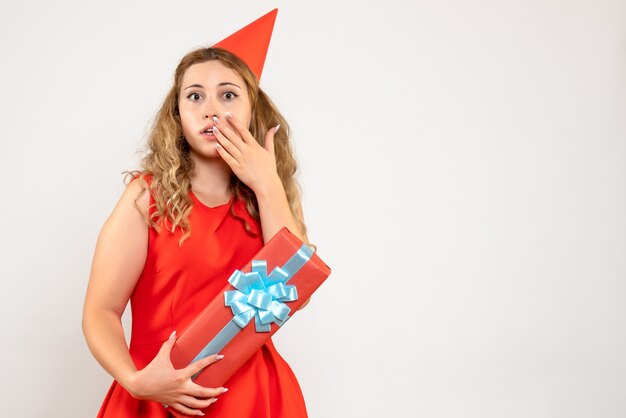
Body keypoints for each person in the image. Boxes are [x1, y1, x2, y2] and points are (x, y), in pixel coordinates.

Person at [82, 43, 316, 417]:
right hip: (157, 394)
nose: (211, 109)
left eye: (228, 95)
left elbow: (296, 294)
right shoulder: (146, 197)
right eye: (195, 96)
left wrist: (268, 184)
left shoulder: (271, 197)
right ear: (176, 114)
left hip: (256, 398)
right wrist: (134, 380)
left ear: (251, 110)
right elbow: (101, 310)